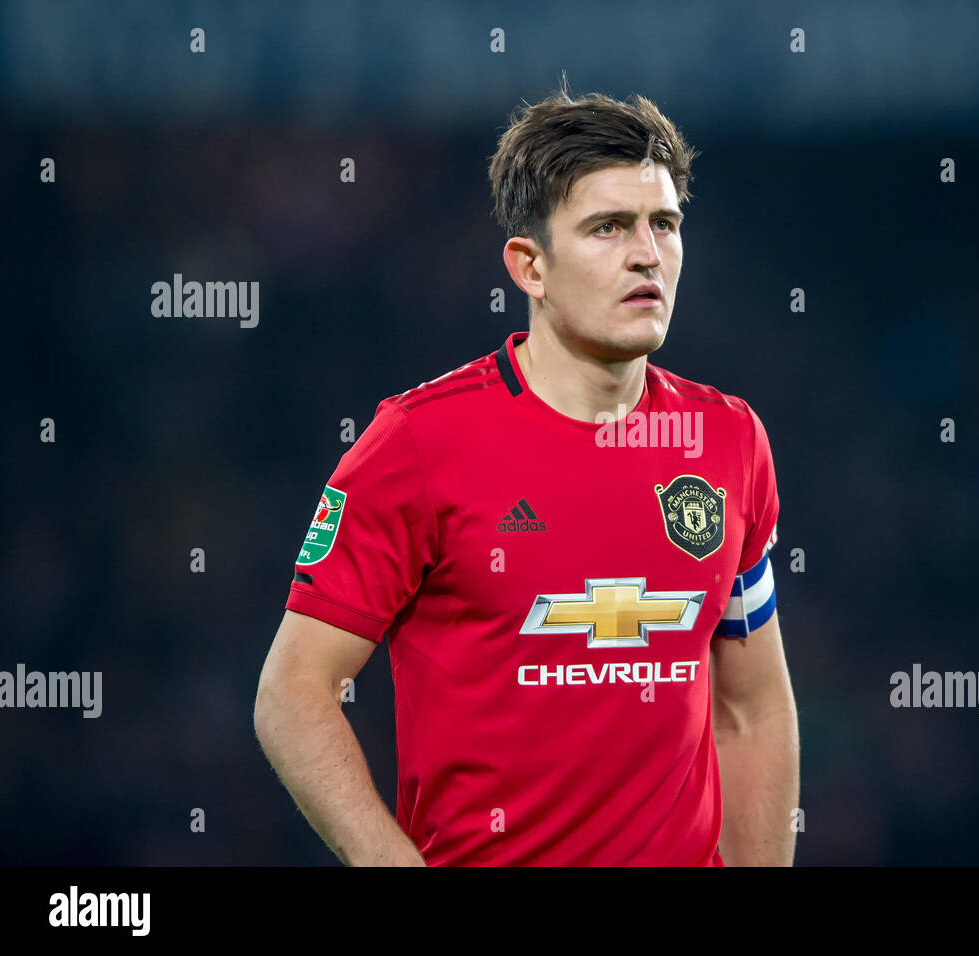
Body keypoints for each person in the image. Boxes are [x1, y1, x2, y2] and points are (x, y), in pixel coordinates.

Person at [253, 80, 799, 866]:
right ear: (529, 267)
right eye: (608, 227)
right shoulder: (417, 444)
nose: (647, 252)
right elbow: (293, 696)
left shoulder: (728, 440)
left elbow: (750, 708)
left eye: (664, 224)